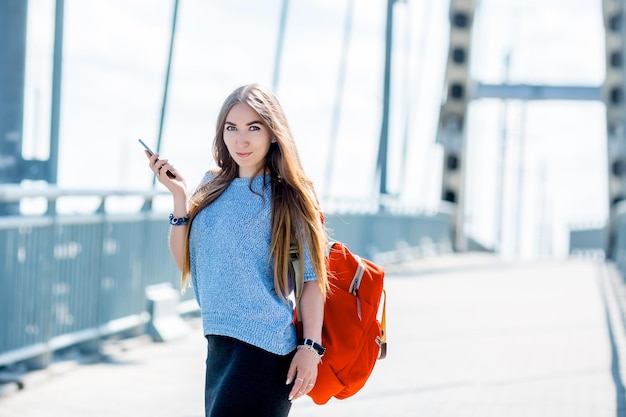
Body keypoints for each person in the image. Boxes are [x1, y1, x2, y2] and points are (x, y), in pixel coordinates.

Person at [145, 83, 329, 417]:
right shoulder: (211, 186)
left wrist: (310, 347)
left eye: (253, 128)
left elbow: (312, 279)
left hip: (264, 348)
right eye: (231, 128)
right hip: (219, 345)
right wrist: (179, 198)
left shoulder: (288, 196)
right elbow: (186, 260)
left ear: (273, 134)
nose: (240, 140)